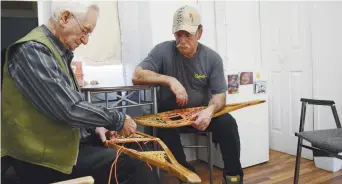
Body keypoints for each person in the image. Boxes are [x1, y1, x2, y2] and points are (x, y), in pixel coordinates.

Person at [1, 1, 160, 184]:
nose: (85, 40)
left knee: (134, 153)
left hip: (58, 148)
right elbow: (68, 109)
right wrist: (117, 120)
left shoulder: (55, 51)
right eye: (85, 31)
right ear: (65, 17)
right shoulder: (32, 51)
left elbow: (67, 104)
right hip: (39, 159)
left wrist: (95, 126)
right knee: (134, 166)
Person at [133, 5, 243, 184]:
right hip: (170, 117)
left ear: (200, 33)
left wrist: (210, 110)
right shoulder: (163, 51)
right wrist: (170, 80)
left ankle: (233, 177)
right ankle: (186, 174)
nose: (182, 40)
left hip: (201, 113)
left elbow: (220, 96)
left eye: (188, 35)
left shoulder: (212, 59)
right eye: (178, 34)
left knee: (227, 122)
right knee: (161, 128)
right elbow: (137, 75)